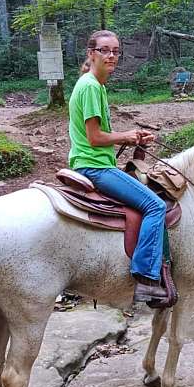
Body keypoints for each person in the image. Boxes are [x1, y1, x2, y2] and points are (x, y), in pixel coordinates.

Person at [68, 29, 168, 304]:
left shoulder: (95, 85)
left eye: (115, 51)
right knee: (155, 206)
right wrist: (126, 136)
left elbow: (99, 137)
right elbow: (94, 138)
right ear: (92, 54)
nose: (112, 56)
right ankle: (146, 277)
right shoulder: (90, 86)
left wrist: (134, 138)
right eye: (105, 50)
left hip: (93, 162)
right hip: (94, 167)